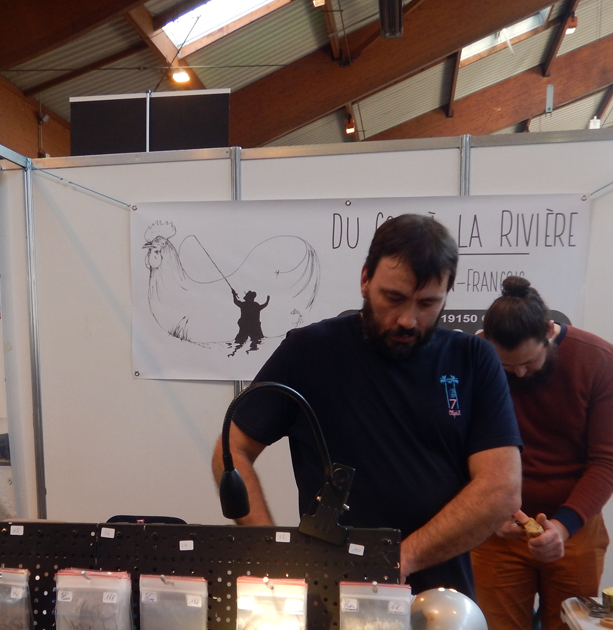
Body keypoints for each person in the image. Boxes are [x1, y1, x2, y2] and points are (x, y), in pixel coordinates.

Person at [212, 214, 522, 595]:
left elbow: (501, 489)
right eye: (393, 298)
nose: (408, 320)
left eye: (428, 303)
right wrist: (270, 552)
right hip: (329, 591)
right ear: (365, 279)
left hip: (440, 601)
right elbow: (232, 450)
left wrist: (399, 561)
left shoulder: (473, 359)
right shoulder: (310, 352)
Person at [472, 276, 613, 630]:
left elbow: (609, 462)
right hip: (497, 533)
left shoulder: (599, 360)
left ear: (549, 332)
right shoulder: (475, 359)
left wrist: (563, 524)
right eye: (508, 367)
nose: (519, 374)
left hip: (574, 532)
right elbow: (453, 448)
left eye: (529, 363)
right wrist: (491, 513)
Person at [231, 288, 269, 354]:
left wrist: (234, 295)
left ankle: (237, 350)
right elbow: (263, 306)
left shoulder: (244, 304)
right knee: (256, 339)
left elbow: (236, 302)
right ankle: (252, 349)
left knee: (240, 340)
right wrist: (267, 301)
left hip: (245, 325)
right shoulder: (255, 305)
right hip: (254, 326)